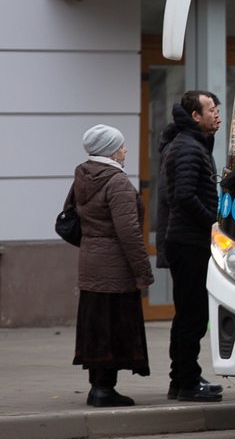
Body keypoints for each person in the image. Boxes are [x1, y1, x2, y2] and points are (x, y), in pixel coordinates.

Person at [72, 125, 154, 407]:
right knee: (113, 326)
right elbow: (129, 232)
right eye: (121, 145)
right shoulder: (116, 181)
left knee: (96, 325)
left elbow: (71, 216)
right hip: (115, 266)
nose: (125, 149)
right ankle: (105, 390)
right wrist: (143, 271)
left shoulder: (83, 174)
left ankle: (98, 387)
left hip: (90, 262)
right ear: (109, 149)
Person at [157, 90, 223, 402]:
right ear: (195, 116)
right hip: (189, 242)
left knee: (191, 314)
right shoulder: (186, 147)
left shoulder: (193, 144)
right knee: (191, 316)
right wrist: (213, 222)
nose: (217, 114)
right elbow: (182, 196)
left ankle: (186, 377)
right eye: (211, 109)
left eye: (216, 108)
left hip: (190, 241)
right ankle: (184, 382)